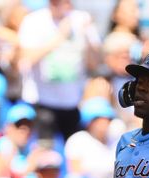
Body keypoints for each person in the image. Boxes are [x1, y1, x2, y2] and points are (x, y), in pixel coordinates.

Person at [17, 0, 101, 141]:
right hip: (42, 103)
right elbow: (26, 59)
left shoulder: (81, 19)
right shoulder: (33, 20)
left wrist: (87, 37)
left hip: (73, 103)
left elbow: (95, 64)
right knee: (47, 155)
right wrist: (59, 38)